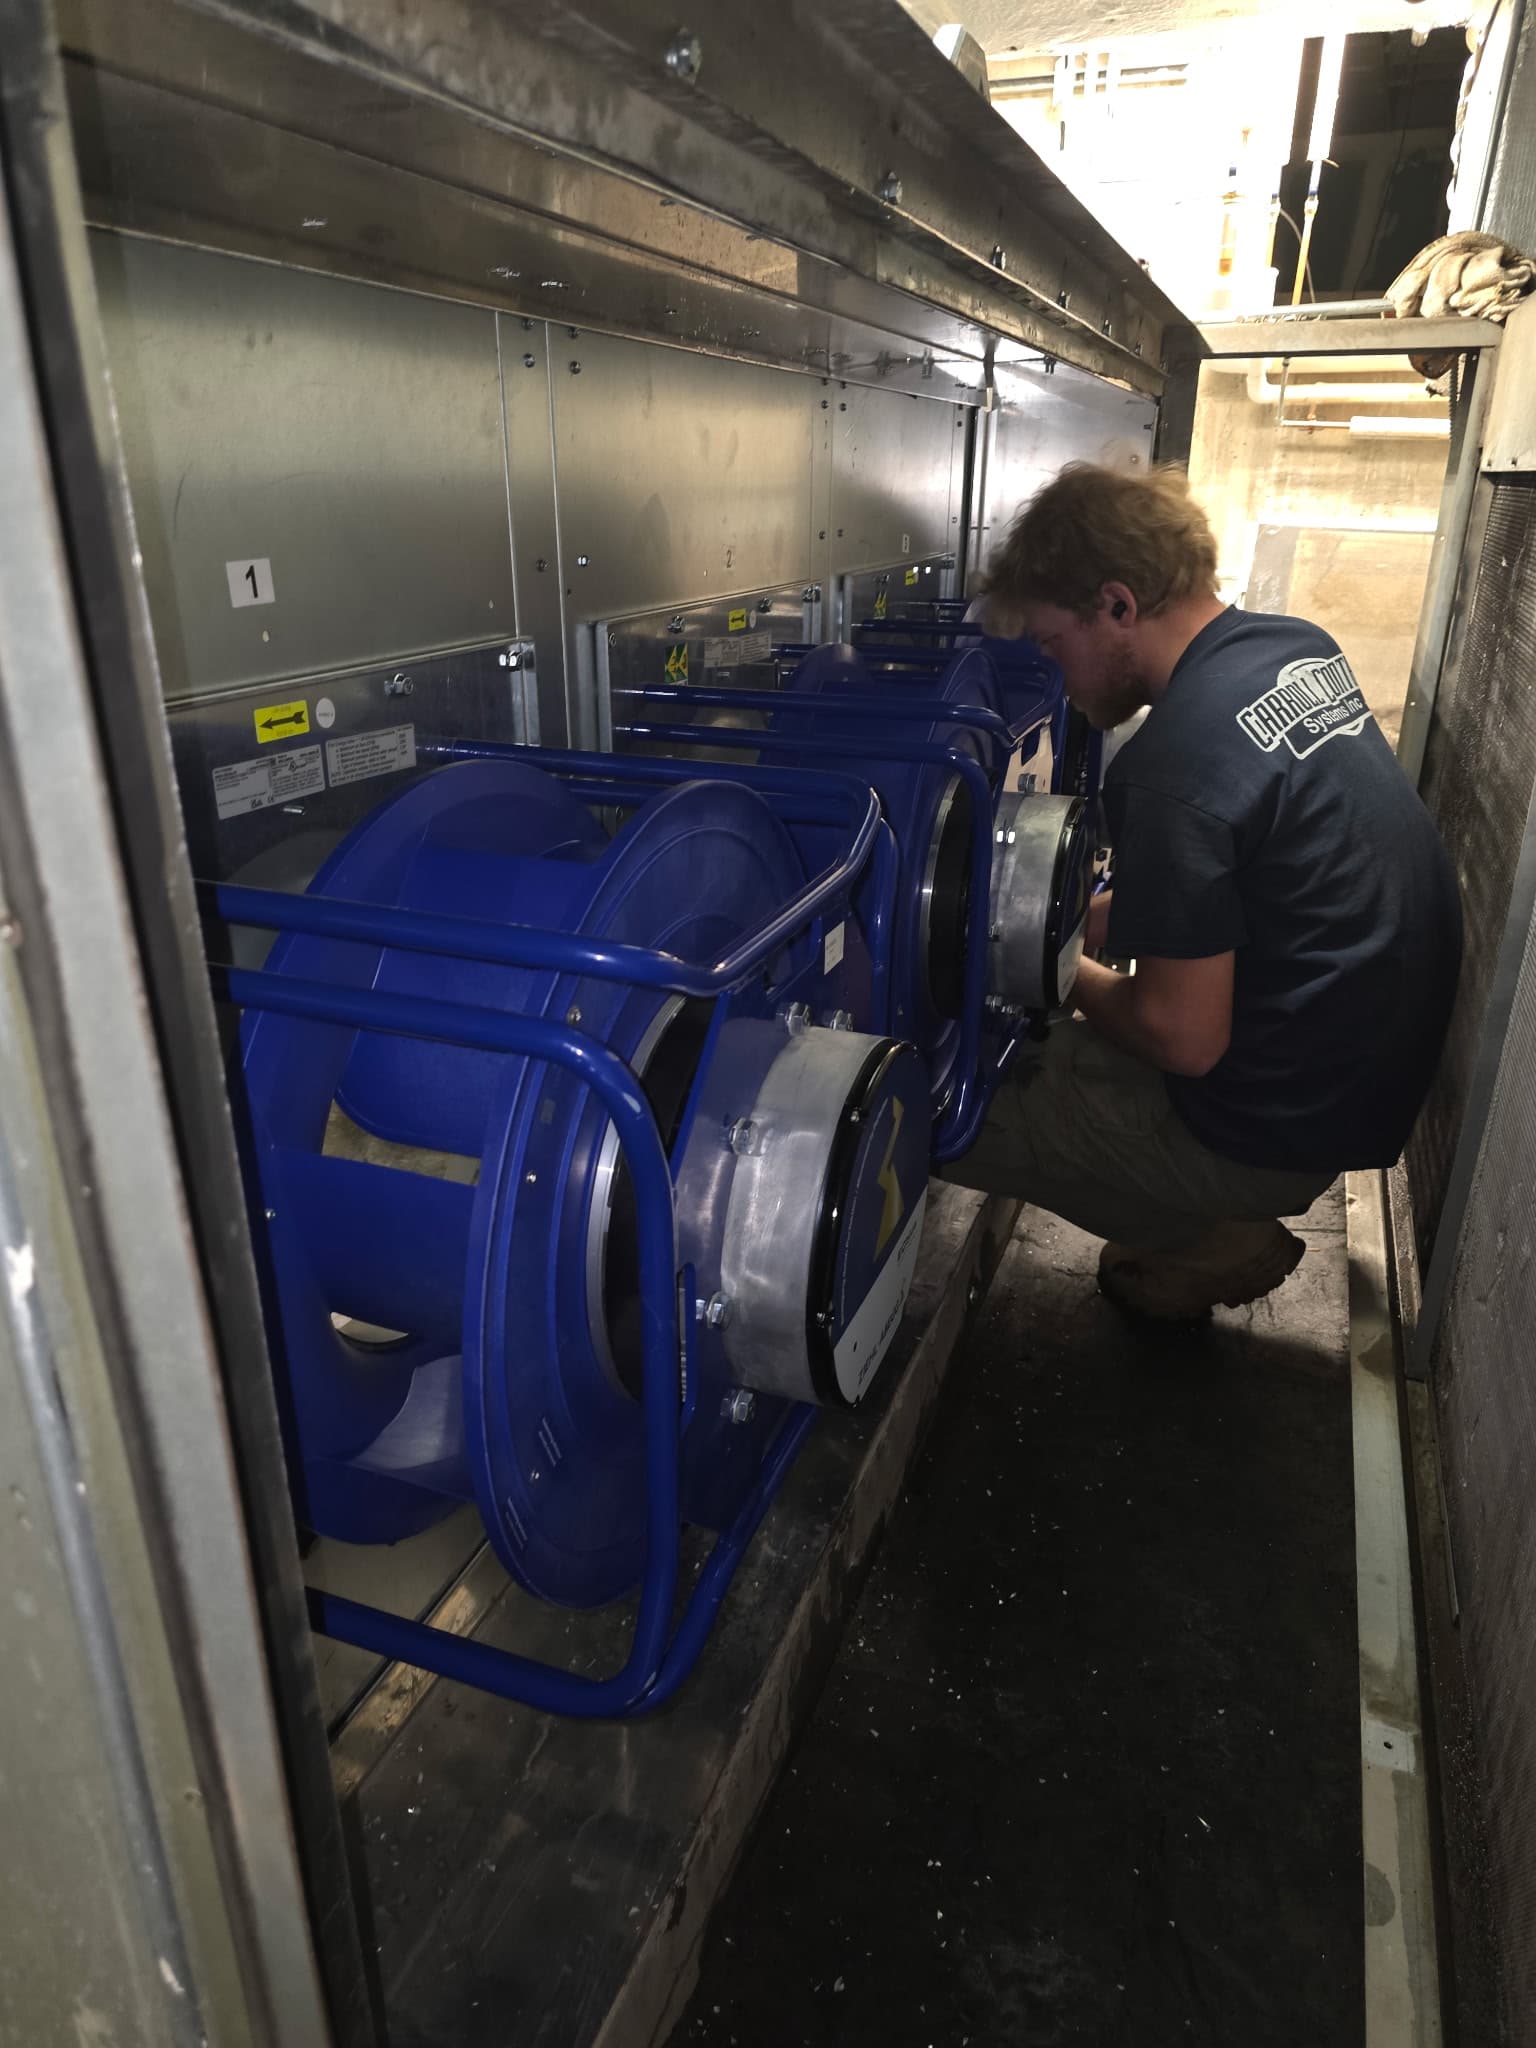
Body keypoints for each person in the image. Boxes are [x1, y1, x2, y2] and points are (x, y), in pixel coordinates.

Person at [945, 462, 1462, 1320]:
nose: (1058, 676)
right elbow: (1259, 873)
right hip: (1350, 1087)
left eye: (1050, 645)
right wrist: (1085, 919)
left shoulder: (1173, 766)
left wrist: (1050, 969)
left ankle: (1210, 1225)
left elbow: (1182, 1037)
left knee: (956, 1096)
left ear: (1116, 606)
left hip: (1272, 1126)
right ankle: (1209, 1210)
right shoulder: (1292, 648)